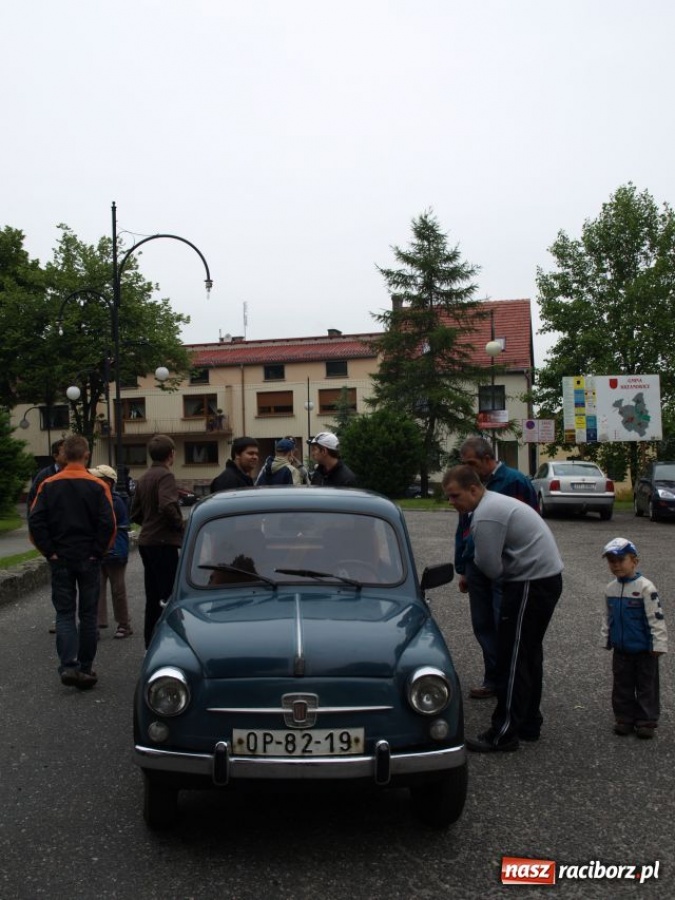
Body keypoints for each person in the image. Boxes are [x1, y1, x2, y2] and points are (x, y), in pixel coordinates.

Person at [442, 465, 563, 752]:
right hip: (541, 580)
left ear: (474, 489)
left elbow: (489, 567)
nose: (451, 503)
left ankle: (503, 732)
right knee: (528, 654)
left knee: (513, 657)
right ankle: (529, 723)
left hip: (530, 584)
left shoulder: (486, 514)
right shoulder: (493, 504)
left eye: (455, 496)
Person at [28, 434, 116, 689]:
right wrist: (98, 551)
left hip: (61, 558)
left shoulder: (49, 484)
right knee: (88, 615)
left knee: (65, 614)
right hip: (88, 557)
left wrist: (49, 551)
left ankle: (69, 665)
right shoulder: (97, 486)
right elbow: (107, 523)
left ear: (64, 455)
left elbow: (36, 521)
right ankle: (86, 667)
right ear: (87, 455)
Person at [454, 437, 538, 701]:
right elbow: (464, 527)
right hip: (476, 564)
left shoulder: (515, 482)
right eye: (463, 463)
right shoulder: (470, 486)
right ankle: (494, 678)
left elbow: (532, 523)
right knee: (482, 623)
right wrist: (463, 567)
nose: (467, 468)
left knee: (504, 622)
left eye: (471, 463)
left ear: (488, 458)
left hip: (507, 566)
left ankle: (509, 682)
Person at [601, 537, 667, 739]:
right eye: (612, 561)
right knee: (622, 685)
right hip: (621, 649)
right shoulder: (610, 589)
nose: (616, 565)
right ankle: (624, 718)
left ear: (635, 561)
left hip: (645, 650)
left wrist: (659, 643)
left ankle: (646, 721)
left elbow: (656, 617)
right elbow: (607, 616)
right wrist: (606, 637)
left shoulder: (646, 587)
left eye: (621, 560)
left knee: (646, 686)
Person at [130, 434, 184, 648]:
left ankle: (149, 642)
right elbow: (167, 505)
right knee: (169, 595)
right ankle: (169, 643)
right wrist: (180, 527)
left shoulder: (144, 477)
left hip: (147, 541)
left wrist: (149, 525)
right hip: (163, 543)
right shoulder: (165, 477)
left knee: (152, 596)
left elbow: (134, 513)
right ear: (171, 454)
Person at [89, 465, 133, 639]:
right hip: (101, 551)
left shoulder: (114, 501)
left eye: (97, 479)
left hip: (114, 551)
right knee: (97, 588)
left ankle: (123, 623)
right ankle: (98, 623)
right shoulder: (99, 498)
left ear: (107, 482)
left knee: (117, 589)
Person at [26, 438, 66, 511]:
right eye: (64, 452)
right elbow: (32, 500)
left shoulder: (78, 474)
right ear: (55, 456)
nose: (69, 455)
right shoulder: (44, 476)